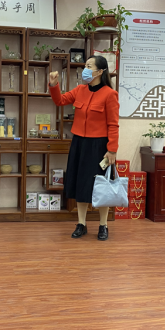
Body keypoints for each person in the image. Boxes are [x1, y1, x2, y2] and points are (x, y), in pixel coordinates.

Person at [49, 55, 119, 241]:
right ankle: (81, 223)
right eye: (85, 65)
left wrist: (112, 149)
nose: (85, 69)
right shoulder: (80, 90)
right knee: (80, 183)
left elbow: (113, 124)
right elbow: (60, 100)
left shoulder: (110, 94)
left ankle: (103, 225)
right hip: (79, 143)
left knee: (101, 186)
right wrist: (54, 85)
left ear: (100, 71)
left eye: (89, 66)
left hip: (99, 146)